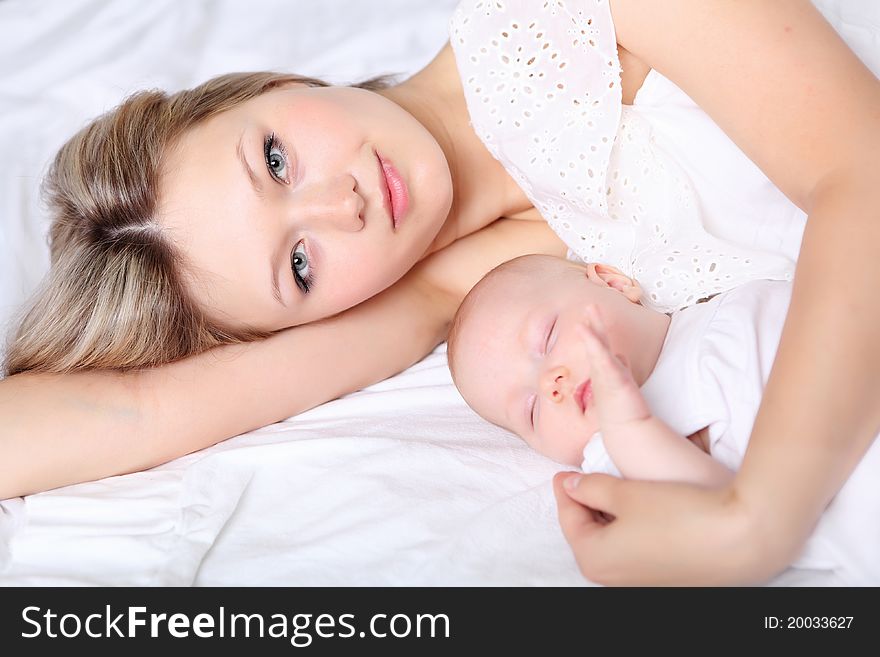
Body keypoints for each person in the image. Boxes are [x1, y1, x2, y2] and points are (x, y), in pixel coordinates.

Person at [1, 0, 878, 585]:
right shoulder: (454, 289)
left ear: (272, 84)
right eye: (299, 266)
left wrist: (755, 520)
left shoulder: (581, 12)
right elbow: (141, 414)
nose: (337, 206)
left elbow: (864, 177)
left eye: (273, 159)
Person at [447, 254, 880, 584]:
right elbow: (715, 514)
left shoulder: (721, 297)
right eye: (531, 411)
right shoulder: (616, 455)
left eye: (548, 338)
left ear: (614, 283)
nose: (550, 384)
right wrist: (630, 429)